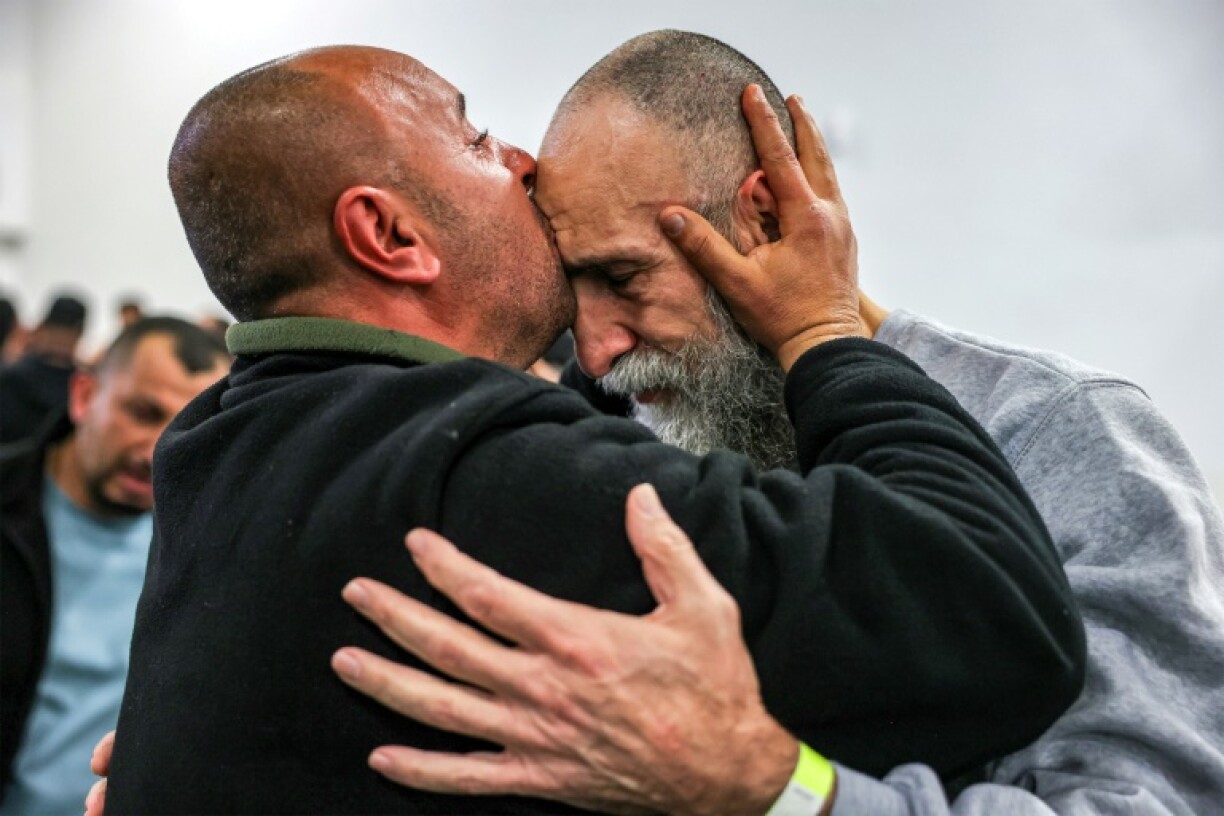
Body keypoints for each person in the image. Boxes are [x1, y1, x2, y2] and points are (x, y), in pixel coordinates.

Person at [101, 45, 1082, 814]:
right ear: (388, 234)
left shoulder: (219, 442)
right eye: (478, 139)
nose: (519, 159)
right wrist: (822, 331)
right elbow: (990, 608)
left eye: (624, 276)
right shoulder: (475, 470)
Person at [316, 31, 1224, 816]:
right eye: (571, 291)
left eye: (627, 280)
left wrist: (776, 786)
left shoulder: (1061, 432)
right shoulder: (612, 425)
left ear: (761, 219)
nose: (594, 354)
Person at [0, 316, 229, 815]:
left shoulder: (213, 545)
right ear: (83, 396)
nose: (157, 450)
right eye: (142, 413)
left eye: (186, 427)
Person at [0, 293, 88, 443]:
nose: (62, 339)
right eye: (59, 329)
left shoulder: (83, 386)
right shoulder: (14, 377)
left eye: (67, 331)